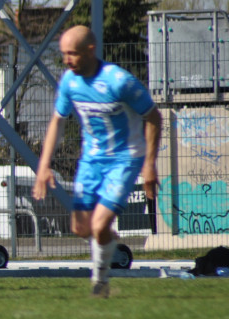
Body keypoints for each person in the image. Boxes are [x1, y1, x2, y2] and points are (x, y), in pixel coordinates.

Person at [33, 25, 161, 298]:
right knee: (81, 229)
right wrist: (43, 166)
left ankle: (100, 283)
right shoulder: (69, 81)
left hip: (125, 158)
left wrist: (150, 164)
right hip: (91, 160)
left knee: (99, 225)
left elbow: (154, 117)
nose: (67, 60)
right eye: (64, 54)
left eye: (72, 54)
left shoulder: (119, 81)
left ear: (90, 51)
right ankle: (108, 241)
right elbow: (57, 121)